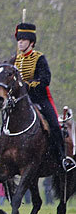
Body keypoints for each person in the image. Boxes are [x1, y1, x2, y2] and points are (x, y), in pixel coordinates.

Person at [13, 21, 75, 172]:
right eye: (19, 40)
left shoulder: (39, 58)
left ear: (31, 42)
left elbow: (45, 79)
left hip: (40, 99)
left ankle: (62, 158)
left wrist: (29, 85)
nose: (20, 42)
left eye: (23, 39)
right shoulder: (15, 61)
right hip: (21, 102)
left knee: (54, 125)